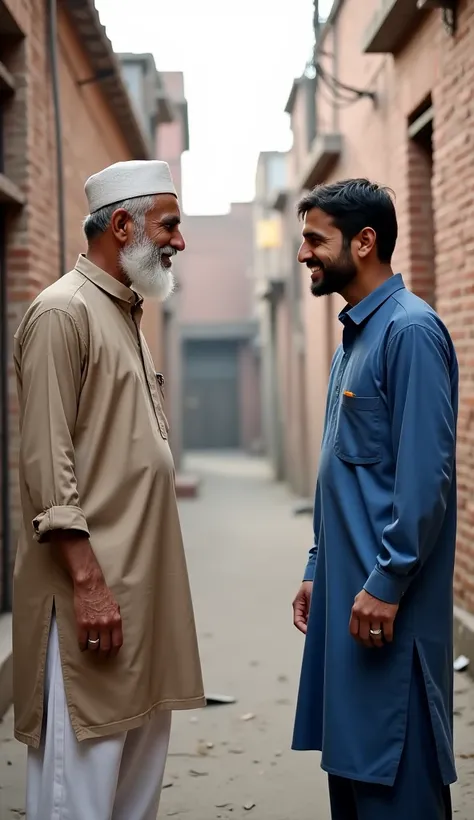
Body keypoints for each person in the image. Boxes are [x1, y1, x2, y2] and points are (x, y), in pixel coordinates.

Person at [13, 160, 205, 820]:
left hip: (141, 603)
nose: (179, 240)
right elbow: (48, 464)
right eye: (169, 225)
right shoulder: (62, 313)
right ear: (122, 225)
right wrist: (89, 582)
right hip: (89, 605)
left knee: (134, 791)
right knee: (81, 798)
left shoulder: (123, 312)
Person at [291, 179, 457, 819]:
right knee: (357, 787)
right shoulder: (356, 338)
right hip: (346, 608)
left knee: (397, 785)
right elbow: (341, 474)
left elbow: (425, 479)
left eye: (314, 239)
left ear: (364, 242)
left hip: (391, 617)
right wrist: (315, 565)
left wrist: (387, 581)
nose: (303, 253)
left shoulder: (410, 332)